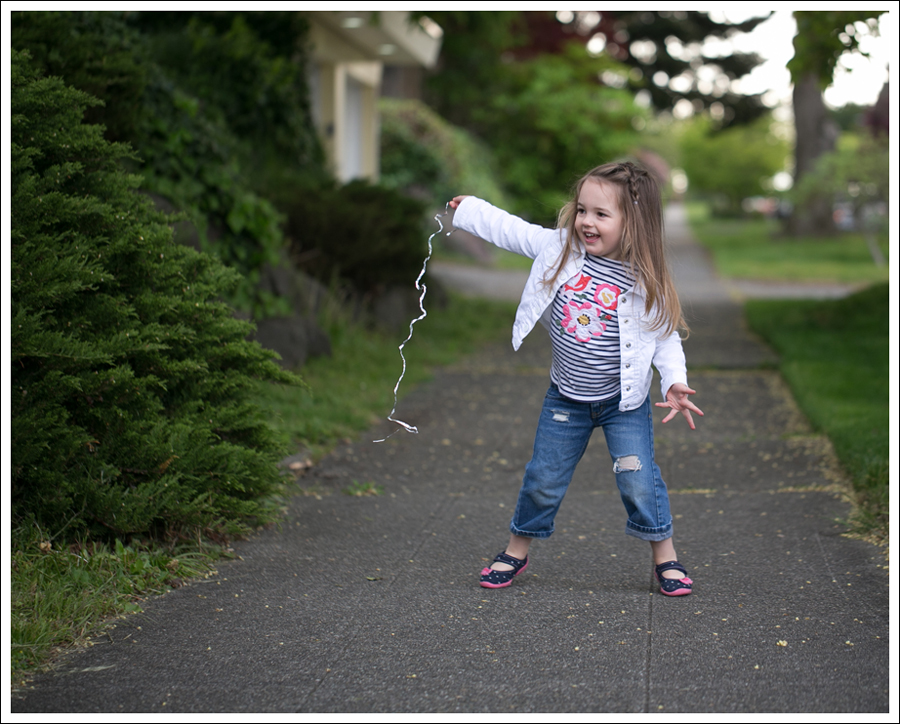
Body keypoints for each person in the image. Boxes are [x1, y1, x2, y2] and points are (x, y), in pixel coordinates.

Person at [448, 161, 703, 596]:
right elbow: (512, 229)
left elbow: (665, 339)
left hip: (624, 404)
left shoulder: (647, 279)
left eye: (601, 214)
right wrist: (470, 210)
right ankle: (516, 549)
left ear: (634, 222)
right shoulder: (559, 248)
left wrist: (673, 381)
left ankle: (666, 557)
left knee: (638, 480)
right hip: (566, 400)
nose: (586, 221)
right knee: (544, 478)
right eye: (582, 209)